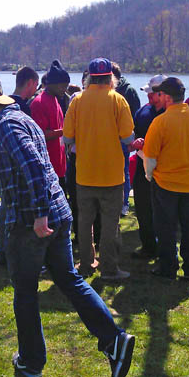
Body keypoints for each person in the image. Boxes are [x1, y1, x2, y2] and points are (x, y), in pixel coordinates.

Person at [0, 73, 135, 377]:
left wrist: (39, 214)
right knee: (69, 279)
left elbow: (33, 167)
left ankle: (31, 362)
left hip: (32, 222)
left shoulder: (7, 124)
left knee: (25, 292)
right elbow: (10, 154)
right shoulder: (18, 118)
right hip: (58, 213)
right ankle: (114, 340)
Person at [63, 58, 134, 281]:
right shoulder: (118, 100)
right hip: (112, 175)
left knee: (84, 223)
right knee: (110, 224)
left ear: (89, 78)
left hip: (84, 173)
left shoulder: (77, 101)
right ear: (111, 78)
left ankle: (86, 264)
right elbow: (128, 137)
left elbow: (67, 137)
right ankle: (109, 269)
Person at [143, 77, 189, 281]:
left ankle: (168, 266)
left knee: (166, 227)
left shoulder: (160, 121)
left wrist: (149, 175)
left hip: (165, 183)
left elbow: (150, 157)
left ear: (166, 96)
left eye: (160, 94)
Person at [0, 66, 40, 265]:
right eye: (36, 85)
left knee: (5, 205)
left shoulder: (1, 104)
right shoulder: (21, 107)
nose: (36, 90)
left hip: (4, 163)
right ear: (29, 82)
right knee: (8, 206)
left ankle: (2, 251)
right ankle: (7, 251)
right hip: (17, 166)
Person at [130, 74, 166, 259]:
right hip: (142, 165)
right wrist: (134, 142)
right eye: (149, 93)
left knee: (163, 210)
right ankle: (148, 246)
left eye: (153, 94)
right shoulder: (143, 111)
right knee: (143, 207)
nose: (149, 97)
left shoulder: (171, 114)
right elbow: (132, 133)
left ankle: (165, 249)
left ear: (164, 94)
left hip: (164, 168)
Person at [30, 60, 69, 190]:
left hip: (60, 164)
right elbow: (40, 135)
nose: (65, 89)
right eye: (62, 86)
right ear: (52, 84)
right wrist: (67, 130)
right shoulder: (39, 102)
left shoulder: (55, 99)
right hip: (48, 167)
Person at [111, 63, 141, 216]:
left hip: (123, 138)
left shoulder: (129, 91)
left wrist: (131, 137)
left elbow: (136, 115)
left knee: (124, 170)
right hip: (109, 138)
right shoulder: (107, 91)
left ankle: (124, 203)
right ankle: (113, 202)